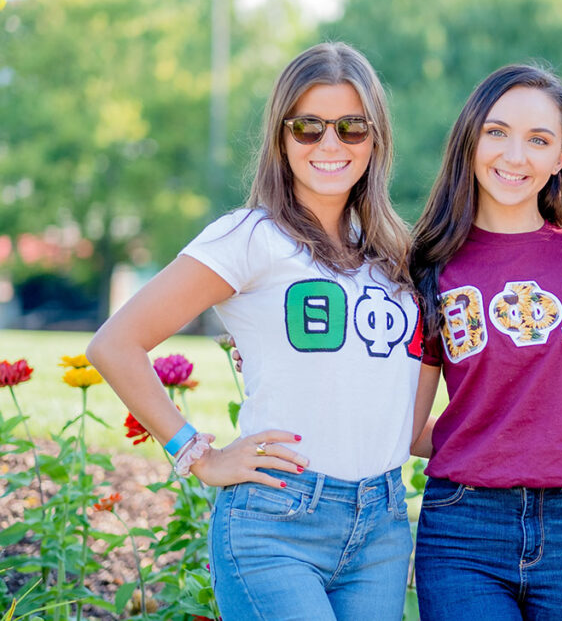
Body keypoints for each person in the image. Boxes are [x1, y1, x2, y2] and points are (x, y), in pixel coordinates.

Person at [87, 42, 421, 621]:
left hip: (384, 527)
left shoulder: (395, 254)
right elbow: (115, 344)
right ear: (280, 136)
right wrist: (198, 455)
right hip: (277, 524)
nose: (330, 145)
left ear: (377, 137)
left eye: (350, 127)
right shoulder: (249, 237)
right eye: (308, 127)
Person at [409, 64, 562, 620]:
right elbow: (406, 427)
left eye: (539, 140)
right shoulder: (427, 266)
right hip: (463, 528)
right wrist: (489, 441)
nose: (514, 155)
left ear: (560, 158)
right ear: (471, 138)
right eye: (497, 132)